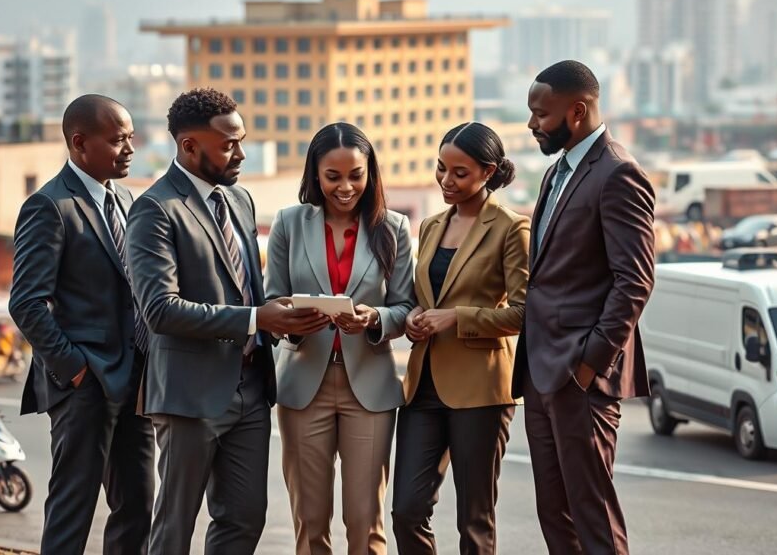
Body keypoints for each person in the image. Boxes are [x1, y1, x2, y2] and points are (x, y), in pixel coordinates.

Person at [125, 88, 328, 555]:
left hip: (251, 391)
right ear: (188, 146)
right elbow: (160, 310)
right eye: (228, 144)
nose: (240, 153)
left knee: (243, 521)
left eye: (242, 141)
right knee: (174, 529)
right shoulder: (154, 210)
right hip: (189, 396)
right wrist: (257, 318)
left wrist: (282, 318)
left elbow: (247, 288)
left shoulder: (239, 200)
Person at [515, 60, 656, 555]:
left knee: (592, 516)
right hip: (541, 371)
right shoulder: (555, 172)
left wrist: (588, 366)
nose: (532, 124)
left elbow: (635, 281)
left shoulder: (619, 174)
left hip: (581, 379)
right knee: (554, 514)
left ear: (577, 111)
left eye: (540, 114)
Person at [9, 94, 154, 555]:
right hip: (84, 387)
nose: (129, 148)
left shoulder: (127, 198)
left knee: (137, 508)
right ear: (78, 143)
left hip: (134, 384)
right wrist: (75, 370)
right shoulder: (49, 206)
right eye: (117, 140)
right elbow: (27, 303)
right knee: (72, 514)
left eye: (131, 137)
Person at [264, 122, 414, 555]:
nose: (346, 187)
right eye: (333, 176)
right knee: (310, 524)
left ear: (371, 174)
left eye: (356, 175)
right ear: (315, 173)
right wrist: (294, 319)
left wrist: (374, 318)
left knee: (365, 523)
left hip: (369, 387)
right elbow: (273, 298)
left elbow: (406, 307)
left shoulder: (394, 228)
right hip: (302, 385)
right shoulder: (289, 223)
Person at [392, 122, 530, 555]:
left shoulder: (511, 228)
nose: (446, 181)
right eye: (441, 169)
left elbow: (526, 313)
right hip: (423, 387)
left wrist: (456, 318)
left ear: (488, 172)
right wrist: (416, 315)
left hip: (482, 392)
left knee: (475, 520)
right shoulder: (432, 225)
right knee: (407, 512)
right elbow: (424, 295)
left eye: (460, 172)